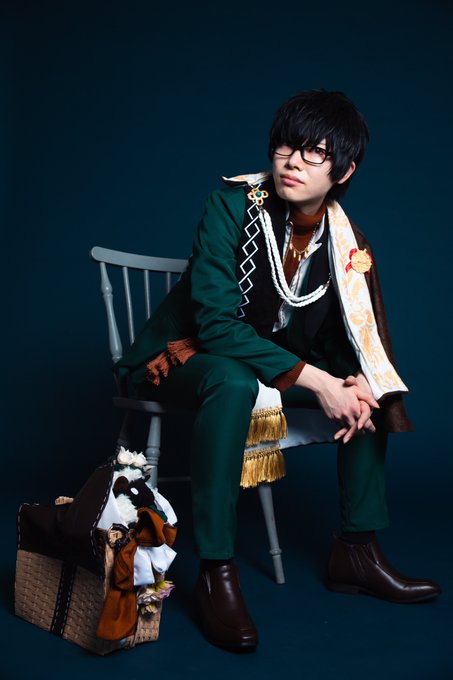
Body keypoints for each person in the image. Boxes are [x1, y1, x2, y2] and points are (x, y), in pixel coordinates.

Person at [116, 89, 440, 651]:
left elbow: (343, 335)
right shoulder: (232, 205)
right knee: (234, 379)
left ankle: (357, 552)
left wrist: (353, 383)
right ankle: (215, 571)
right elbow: (216, 326)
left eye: (315, 153)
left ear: (344, 170)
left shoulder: (345, 241)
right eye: (286, 146)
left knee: (367, 393)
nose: (293, 162)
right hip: (179, 359)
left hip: (264, 365)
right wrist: (317, 381)